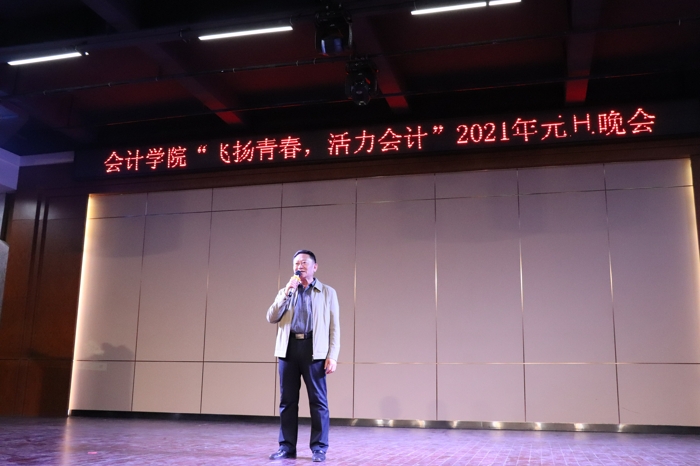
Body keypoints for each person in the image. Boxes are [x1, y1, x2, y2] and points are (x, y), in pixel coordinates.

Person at [266, 250, 340, 463]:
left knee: (318, 401)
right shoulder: (287, 291)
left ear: (315, 267)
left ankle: (319, 448)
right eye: (297, 263)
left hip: (314, 349)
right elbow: (271, 317)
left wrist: (332, 355)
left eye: (305, 262)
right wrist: (286, 292)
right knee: (287, 401)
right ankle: (286, 447)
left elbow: (334, 327)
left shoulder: (327, 292)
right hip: (288, 349)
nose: (300, 266)